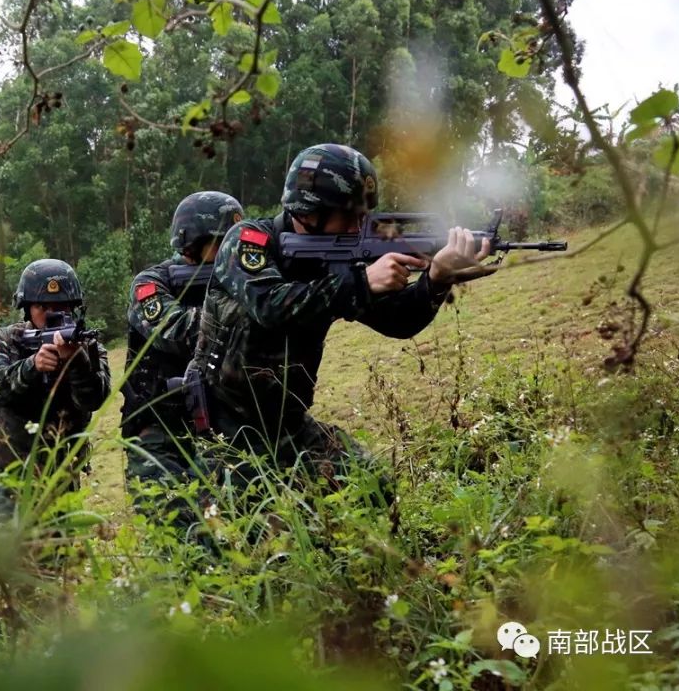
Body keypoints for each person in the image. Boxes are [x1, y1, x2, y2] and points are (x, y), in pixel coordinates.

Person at [191, 143, 494, 506]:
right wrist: (362, 282)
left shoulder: (338, 256)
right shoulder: (249, 241)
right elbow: (269, 305)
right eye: (348, 216)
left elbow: (397, 322)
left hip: (286, 424)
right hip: (223, 429)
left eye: (362, 216)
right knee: (256, 531)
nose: (357, 226)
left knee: (373, 491)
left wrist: (436, 280)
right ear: (309, 211)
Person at [120, 191, 242, 527]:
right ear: (191, 243)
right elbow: (175, 331)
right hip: (159, 432)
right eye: (222, 242)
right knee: (175, 528)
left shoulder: (239, 277)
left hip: (221, 425)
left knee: (239, 522)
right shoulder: (151, 285)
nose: (232, 250)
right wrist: (242, 309)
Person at [0, 259, 110, 525]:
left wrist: (78, 364)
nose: (51, 314)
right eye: (42, 307)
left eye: (60, 307)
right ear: (27, 308)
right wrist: (31, 367)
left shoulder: (86, 345)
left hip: (60, 472)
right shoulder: (7, 339)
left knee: (56, 550)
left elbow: (95, 398)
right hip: (7, 468)